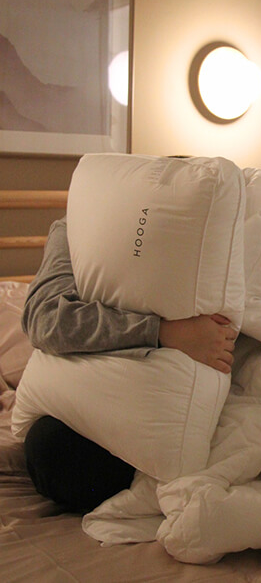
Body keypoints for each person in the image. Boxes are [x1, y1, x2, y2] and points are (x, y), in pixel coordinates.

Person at [22, 216, 236, 513]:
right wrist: (162, 332)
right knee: (51, 449)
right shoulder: (75, 226)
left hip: (211, 396)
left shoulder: (216, 217)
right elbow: (46, 320)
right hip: (102, 416)